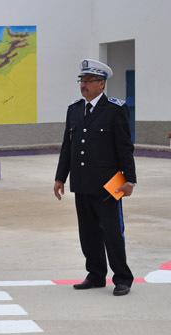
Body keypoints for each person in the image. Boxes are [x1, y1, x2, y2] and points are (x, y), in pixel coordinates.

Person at [54, 59, 136, 297]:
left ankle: (122, 278)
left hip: (111, 183)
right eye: (82, 80)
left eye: (89, 81)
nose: (84, 85)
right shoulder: (75, 109)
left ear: (102, 83)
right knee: (87, 232)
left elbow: (124, 147)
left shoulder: (115, 109)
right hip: (82, 182)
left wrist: (129, 179)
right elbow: (67, 147)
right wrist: (60, 177)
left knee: (112, 232)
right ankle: (96, 274)